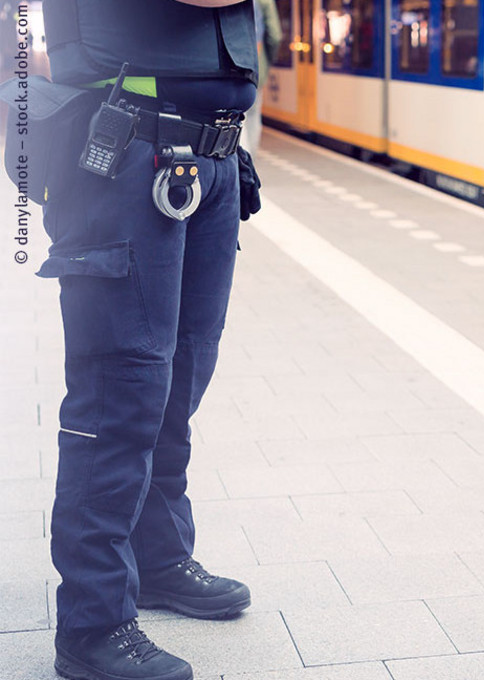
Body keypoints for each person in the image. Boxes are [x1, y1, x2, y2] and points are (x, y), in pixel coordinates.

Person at [37, 1, 260, 679]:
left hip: (210, 158)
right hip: (128, 153)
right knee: (119, 394)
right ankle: (94, 623)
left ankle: (160, 559)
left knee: (179, 377)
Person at [239, 0, 281, 155]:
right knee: (253, 117)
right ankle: (249, 163)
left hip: (233, 66)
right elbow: (275, 36)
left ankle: (239, 161)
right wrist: (266, 62)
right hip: (256, 68)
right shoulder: (265, 1)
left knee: (236, 117)